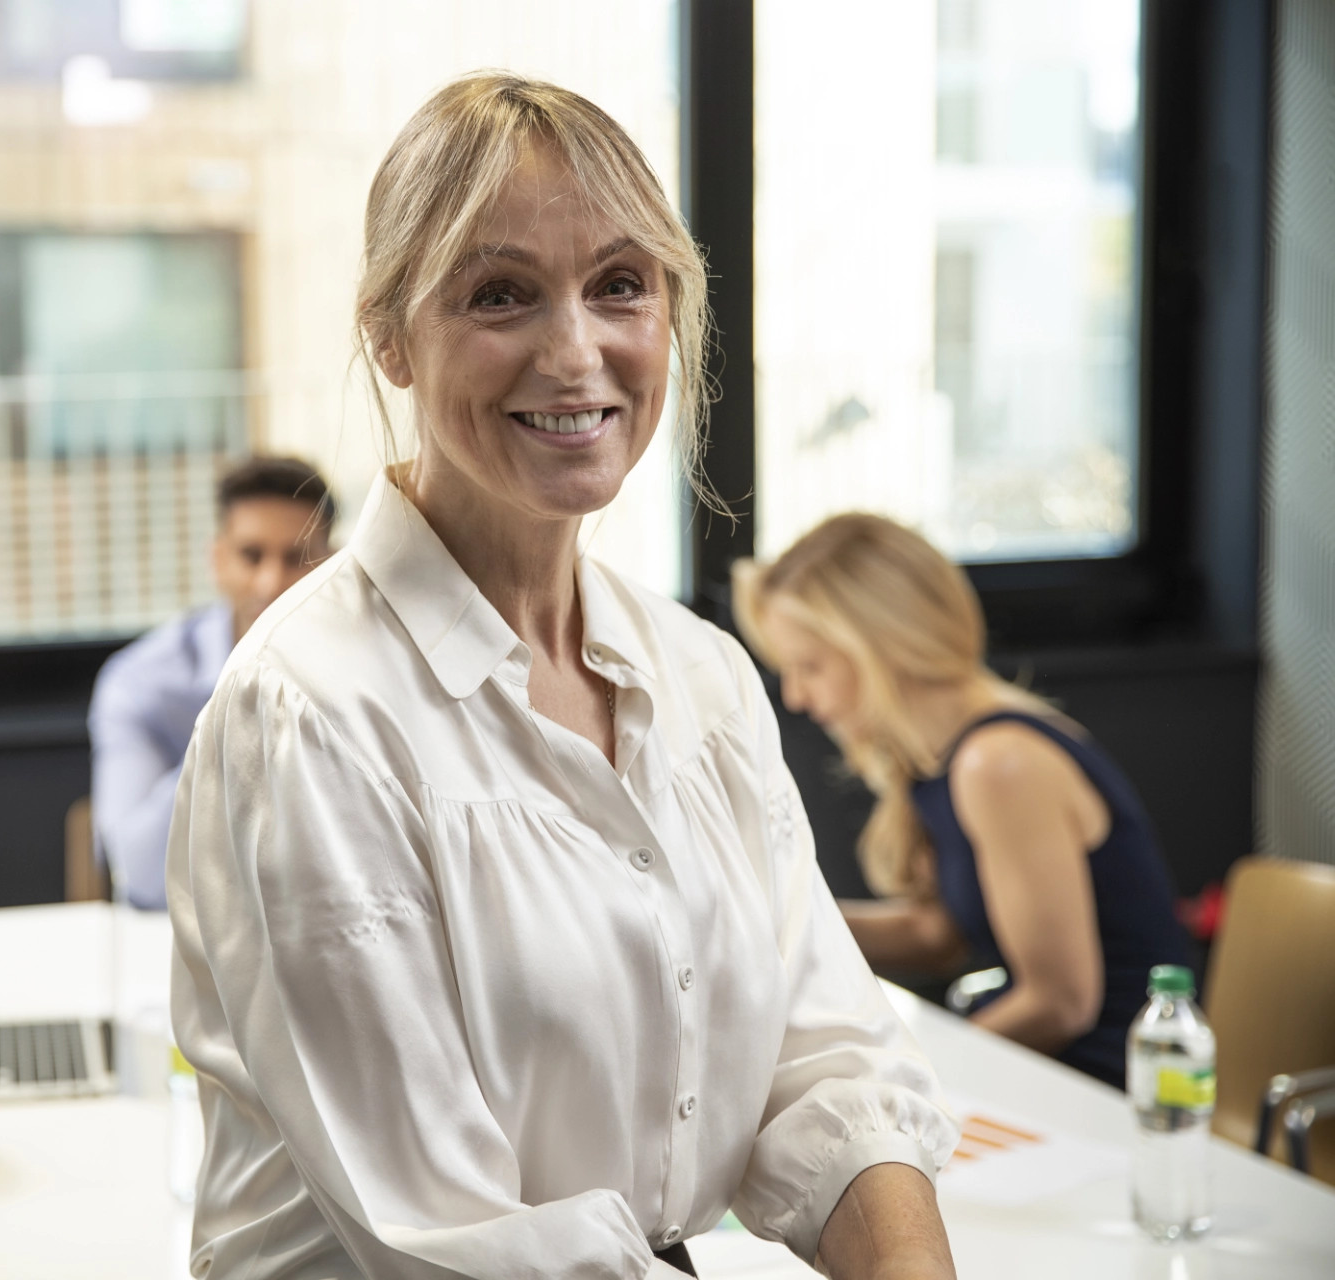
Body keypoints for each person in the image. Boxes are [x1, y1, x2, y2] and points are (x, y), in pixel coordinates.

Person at [169, 74, 959, 1280]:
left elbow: (827, 1062)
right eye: (501, 294)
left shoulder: (702, 674)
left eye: (622, 285)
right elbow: (456, 1236)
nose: (576, 351)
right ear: (388, 332)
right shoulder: (312, 709)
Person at [732, 513, 1194, 1089]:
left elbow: (1061, 1003)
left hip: (1109, 1088)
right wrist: (775, 918)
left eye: (810, 667)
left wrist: (908, 1081)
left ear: (881, 648)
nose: (797, 697)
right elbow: (937, 934)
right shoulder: (943, 757)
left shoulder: (1000, 764)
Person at [88, 456, 335, 909]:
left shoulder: (367, 675)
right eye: (251, 555)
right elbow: (139, 874)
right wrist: (241, 713)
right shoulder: (138, 683)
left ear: (332, 563)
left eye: (296, 558)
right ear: (218, 560)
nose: (271, 582)